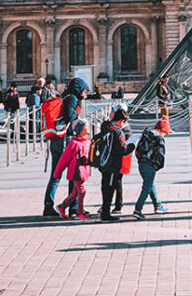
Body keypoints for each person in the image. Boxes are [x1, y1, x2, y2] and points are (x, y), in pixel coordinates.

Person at [43, 77, 88, 218]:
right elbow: (70, 116)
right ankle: (73, 207)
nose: (85, 93)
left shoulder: (65, 96)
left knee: (55, 174)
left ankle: (48, 206)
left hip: (56, 138)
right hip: (66, 141)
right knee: (73, 174)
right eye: (85, 90)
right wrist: (78, 110)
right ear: (79, 89)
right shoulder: (73, 99)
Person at [99, 107, 135, 221]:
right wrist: (132, 146)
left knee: (105, 186)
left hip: (104, 162)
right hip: (113, 164)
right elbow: (121, 150)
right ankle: (105, 213)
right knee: (109, 188)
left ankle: (105, 210)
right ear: (121, 120)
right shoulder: (117, 131)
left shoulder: (106, 127)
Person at [133, 116, 171, 219]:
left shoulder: (145, 136)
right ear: (162, 130)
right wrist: (157, 166)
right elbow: (160, 155)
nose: (165, 136)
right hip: (150, 165)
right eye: (165, 133)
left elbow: (137, 151)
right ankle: (138, 209)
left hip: (141, 164)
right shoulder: (159, 139)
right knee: (146, 188)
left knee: (150, 184)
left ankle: (157, 205)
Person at [53, 119, 92, 219]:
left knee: (75, 192)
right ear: (81, 129)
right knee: (82, 191)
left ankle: (62, 206)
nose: (88, 128)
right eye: (86, 127)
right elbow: (64, 159)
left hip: (83, 171)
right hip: (76, 171)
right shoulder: (74, 143)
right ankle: (79, 212)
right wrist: (57, 173)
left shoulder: (88, 142)